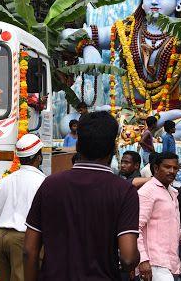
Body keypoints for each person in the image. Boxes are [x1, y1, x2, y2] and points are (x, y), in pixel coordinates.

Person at [24, 112, 139, 281]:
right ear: (113, 148)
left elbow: (29, 250)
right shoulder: (124, 191)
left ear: (78, 145)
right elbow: (128, 258)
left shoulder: (50, 184)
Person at [0, 134, 46, 281]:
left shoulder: (5, 181)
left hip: (0, 237)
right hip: (23, 239)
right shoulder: (42, 181)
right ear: (38, 157)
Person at [137, 151, 181, 281]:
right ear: (156, 168)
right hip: (154, 263)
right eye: (167, 167)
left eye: (175, 168)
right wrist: (143, 260)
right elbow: (135, 228)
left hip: (170, 261)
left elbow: (166, 225)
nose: (172, 171)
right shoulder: (148, 191)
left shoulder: (173, 192)